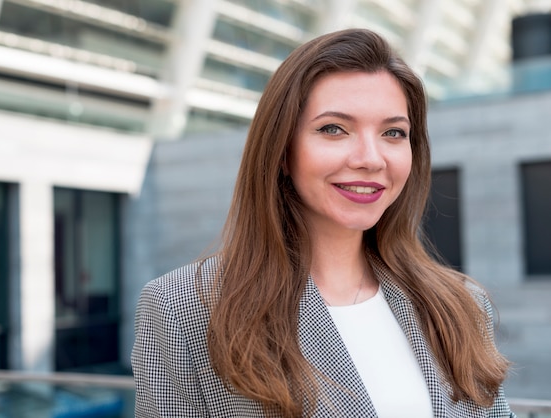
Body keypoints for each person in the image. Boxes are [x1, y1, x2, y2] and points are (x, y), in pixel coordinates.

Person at [131, 28, 515, 417]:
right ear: (282, 150)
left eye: (393, 133)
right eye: (334, 129)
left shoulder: (460, 305)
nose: (371, 158)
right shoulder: (184, 310)